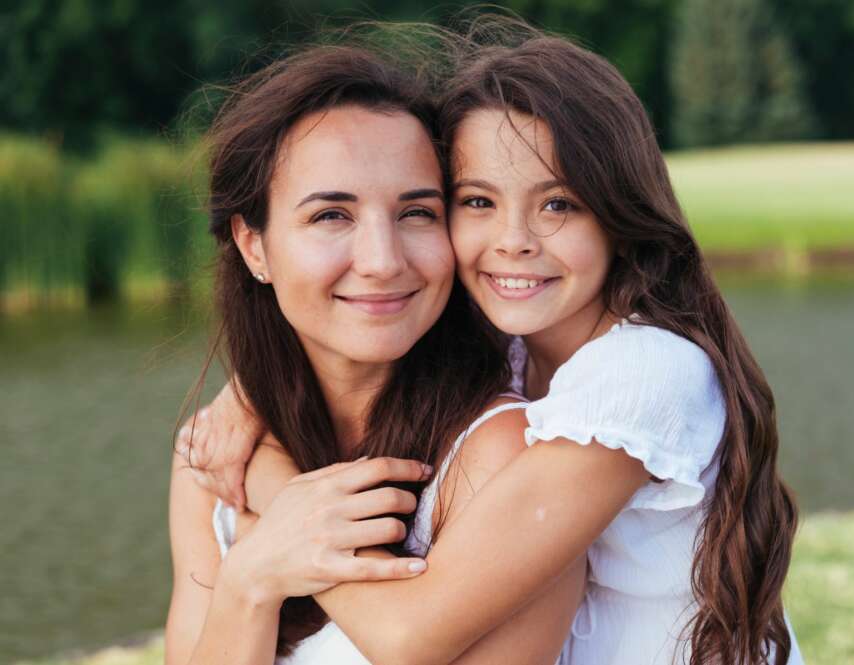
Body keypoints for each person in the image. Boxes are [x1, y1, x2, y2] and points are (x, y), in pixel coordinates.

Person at [187, 17, 804, 665]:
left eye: (558, 204)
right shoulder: (516, 337)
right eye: (478, 202)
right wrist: (251, 394)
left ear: (619, 213)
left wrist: (279, 494)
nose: (514, 240)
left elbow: (408, 634)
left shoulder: (642, 371)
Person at [165, 42, 585, 665]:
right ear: (254, 246)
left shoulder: (501, 456)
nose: (384, 261)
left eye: (417, 212)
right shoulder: (214, 457)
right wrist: (250, 582)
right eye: (332, 214)